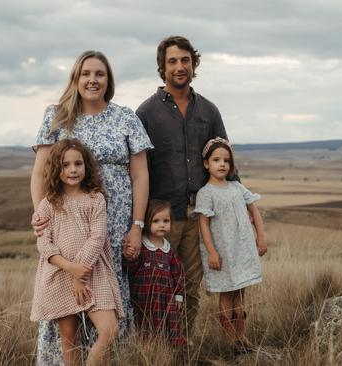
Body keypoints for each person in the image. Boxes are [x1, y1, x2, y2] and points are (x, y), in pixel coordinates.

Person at [31, 50, 153, 365]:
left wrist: (136, 226)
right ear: (76, 78)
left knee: (108, 308)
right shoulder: (56, 116)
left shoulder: (125, 117)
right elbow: (40, 171)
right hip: (66, 230)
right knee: (67, 306)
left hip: (113, 229)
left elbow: (140, 174)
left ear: (108, 80)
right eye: (86, 73)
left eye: (100, 74)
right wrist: (41, 217)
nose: (92, 80)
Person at [136, 35, 232, 338]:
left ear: (194, 64)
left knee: (190, 286)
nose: (180, 67)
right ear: (162, 68)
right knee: (155, 285)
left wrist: (240, 209)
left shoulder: (209, 111)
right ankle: (153, 348)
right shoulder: (146, 113)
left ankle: (183, 347)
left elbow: (227, 160)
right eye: (173, 61)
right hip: (161, 216)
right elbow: (138, 170)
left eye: (185, 60)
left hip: (198, 216)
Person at [30, 139, 123, 366]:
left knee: (109, 331)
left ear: (86, 167)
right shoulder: (48, 204)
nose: (72, 170)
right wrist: (72, 270)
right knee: (70, 340)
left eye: (78, 164)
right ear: (55, 169)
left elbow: (97, 238)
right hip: (60, 274)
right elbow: (44, 245)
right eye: (65, 165)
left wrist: (80, 274)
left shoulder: (95, 199)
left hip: (94, 271)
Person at [193, 137, 267, 354]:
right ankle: (230, 341)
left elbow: (254, 211)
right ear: (206, 164)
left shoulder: (237, 187)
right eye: (216, 159)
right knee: (226, 293)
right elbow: (203, 225)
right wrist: (212, 252)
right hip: (223, 253)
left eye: (226, 160)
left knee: (241, 292)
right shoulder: (205, 193)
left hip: (242, 250)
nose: (222, 164)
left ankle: (242, 337)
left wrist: (260, 237)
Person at [126, 199, 186, 346]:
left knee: (164, 327)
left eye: (166, 221)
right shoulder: (141, 245)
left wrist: (179, 295)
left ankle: (163, 352)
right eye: (156, 221)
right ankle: (145, 353)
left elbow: (178, 273)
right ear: (147, 222)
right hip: (144, 297)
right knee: (144, 327)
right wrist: (131, 257)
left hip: (165, 298)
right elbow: (131, 270)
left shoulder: (168, 249)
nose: (162, 225)